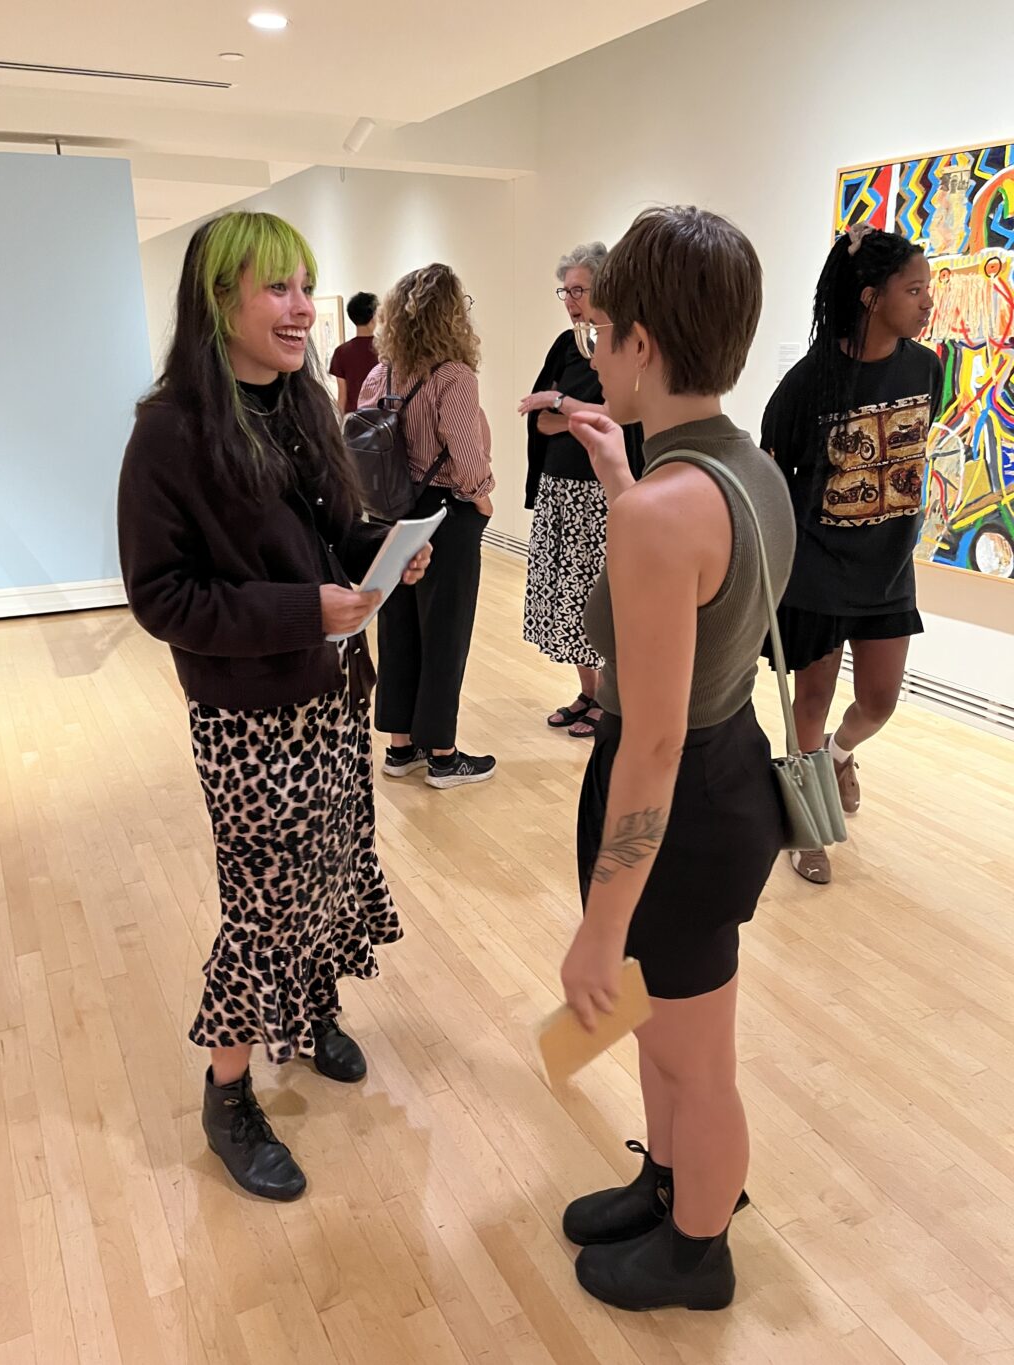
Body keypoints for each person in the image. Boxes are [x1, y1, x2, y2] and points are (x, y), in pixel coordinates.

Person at [117, 211, 431, 1202]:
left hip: (334, 690)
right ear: (218, 301)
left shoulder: (304, 405)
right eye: (278, 289)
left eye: (306, 285)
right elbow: (162, 597)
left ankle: (314, 1010)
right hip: (250, 716)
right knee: (262, 903)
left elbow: (331, 533)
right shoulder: (169, 432)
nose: (302, 308)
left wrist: (384, 549)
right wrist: (306, 608)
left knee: (334, 863)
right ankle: (228, 1093)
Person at [558, 206, 796, 1312]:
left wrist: (598, 929)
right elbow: (695, 614)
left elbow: (649, 739)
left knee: (696, 1056)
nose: (590, 349)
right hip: (728, 770)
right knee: (671, 1025)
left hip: (680, 804)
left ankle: (700, 1247)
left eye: (600, 329)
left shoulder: (663, 508)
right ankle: (666, 1185)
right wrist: (622, 478)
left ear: (641, 343)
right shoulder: (747, 469)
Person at [761, 224, 942, 884]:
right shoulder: (811, 382)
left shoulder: (926, 367)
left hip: (890, 569)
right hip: (818, 569)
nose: (927, 303)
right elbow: (772, 467)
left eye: (929, 289)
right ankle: (808, 829)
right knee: (809, 700)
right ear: (871, 297)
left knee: (879, 700)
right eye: (914, 289)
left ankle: (839, 755)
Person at [358, 264, 496, 789]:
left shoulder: (382, 374)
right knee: (446, 631)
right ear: (452, 314)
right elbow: (466, 454)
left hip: (390, 513)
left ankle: (400, 747)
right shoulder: (453, 375)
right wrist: (482, 500)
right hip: (445, 515)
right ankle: (443, 754)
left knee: (398, 629)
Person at [519, 243, 643, 738]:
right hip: (560, 488)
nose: (570, 300)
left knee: (601, 596)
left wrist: (561, 403)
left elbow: (621, 413)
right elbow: (541, 421)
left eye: (579, 290)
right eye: (565, 291)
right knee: (566, 600)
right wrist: (577, 413)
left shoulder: (625, 342)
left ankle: (610, 698)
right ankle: (589, 693)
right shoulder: (565, 345)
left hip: (601, 492)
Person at [329, 290, 379, 414]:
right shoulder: (386, 349)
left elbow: (342, 398)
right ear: (372, 317)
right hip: (381, 420)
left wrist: (340, 427)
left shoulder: (341, 352)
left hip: (354, 421)